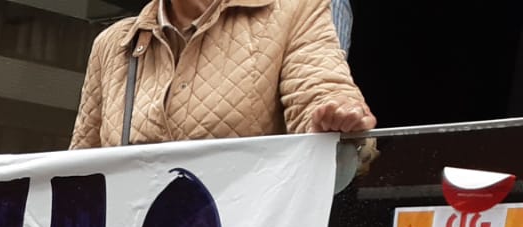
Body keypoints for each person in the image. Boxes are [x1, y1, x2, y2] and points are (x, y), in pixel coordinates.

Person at [70, 0, 373, 148]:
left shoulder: (293, 11)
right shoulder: (112, 45)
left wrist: (336, 116)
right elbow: (78, 175)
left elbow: (321, 88)